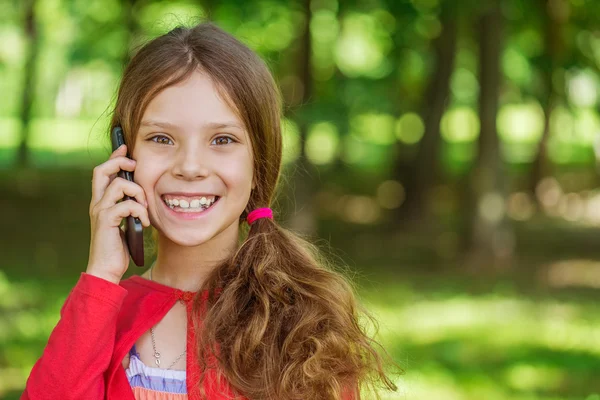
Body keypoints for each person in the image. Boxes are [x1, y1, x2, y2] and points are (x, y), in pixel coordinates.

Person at [21, 21, 399, 400]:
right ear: (124, 158)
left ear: (259, 164)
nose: (190, 166)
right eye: (161, 138)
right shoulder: (100, 314)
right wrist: (101, 276)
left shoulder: (301, 326)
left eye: (222, 139)